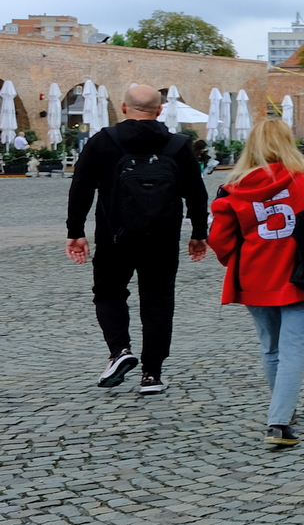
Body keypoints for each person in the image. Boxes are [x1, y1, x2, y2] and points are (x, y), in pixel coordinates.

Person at [65, 83, 210, 396]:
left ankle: (120, 351)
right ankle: (152, 375)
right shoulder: (177, 144)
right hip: (162, 237)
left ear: (123, 107)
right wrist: (199, 234)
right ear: (160, 111)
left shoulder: (103, 141)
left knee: (108, 293)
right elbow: (197, 194)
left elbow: (81, 188)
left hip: (114, 236)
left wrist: (75, 231)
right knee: (158, 300)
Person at [208, 118, 304, 447]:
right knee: (294, 350)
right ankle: (279, 421)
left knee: (271, 347)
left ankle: (281, 409)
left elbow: (219, 239)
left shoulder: (234, 188)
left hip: (255, 276)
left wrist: (237, 258)